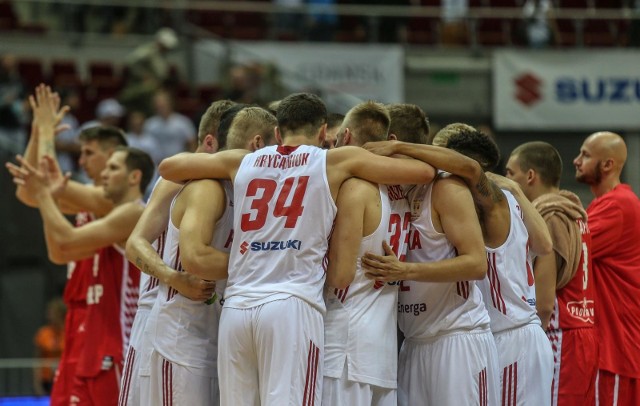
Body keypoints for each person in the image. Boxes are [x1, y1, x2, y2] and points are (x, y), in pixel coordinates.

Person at [158, 92, 435, 405]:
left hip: (237, 307)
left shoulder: (243, 160)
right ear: (321, 133)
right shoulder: (334, 160)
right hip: (292, 304)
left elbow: (169, 167)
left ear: (277, 132)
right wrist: (394, 147)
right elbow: (424, 173)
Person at [142, 106, 277, 405]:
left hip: (217, 337)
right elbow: (197, 258)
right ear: (257, 145)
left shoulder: (243, 191)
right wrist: (270, 262)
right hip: (181, 341)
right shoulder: (207, 187)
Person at [8, 85, 126, 406]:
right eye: (81, 153)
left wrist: (46, 133)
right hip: (80, 325)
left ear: (115, 157)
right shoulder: (86, 201)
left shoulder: (114, 203)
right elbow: (31, 194)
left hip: (108, 330)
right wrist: (37, 132)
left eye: (90, 153)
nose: (82, 160)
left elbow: (47, 183)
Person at [361, 140, 500, 406]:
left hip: (457, 339)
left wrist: (406, 270)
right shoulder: (392, 194)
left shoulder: (446, 188)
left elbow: (477, 264)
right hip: (413, 344)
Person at [119, 99, 235, 406]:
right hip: (158, 316)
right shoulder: (177, 177)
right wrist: (172, 277)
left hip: (203, 320)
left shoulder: (224, 184)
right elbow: (135, 244)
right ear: (211, 141)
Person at [323, 101, 409, 405]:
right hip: (382, 349)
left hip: (344, 347)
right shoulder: (402, 191)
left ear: (345, 136)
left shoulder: (356, 189)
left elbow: (340, 276)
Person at [505, 141, 597, 405]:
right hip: (582, 327)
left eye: (511, 174)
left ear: (530, 175)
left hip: (562, 332)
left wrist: (533, 343)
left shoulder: (550, 216)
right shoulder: (574, 211)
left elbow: (544, 302)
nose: (507, 180)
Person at [573, 131, 640, 404]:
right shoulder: (610, 203)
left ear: (608, 165)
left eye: (586, 155)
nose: (576, 161)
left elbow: (564, 248)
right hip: (617, 348)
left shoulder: (617, 205)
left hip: (616, 348)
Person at [120, 27, 179, 114]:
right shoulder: (147, 51)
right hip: (141, 86)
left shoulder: (162, 56)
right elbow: (130, 63)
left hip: (155, 87)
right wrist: (144, 75)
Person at [143, 90, 197, 162]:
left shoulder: (183, 122)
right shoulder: (149, 124)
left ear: (170, 103)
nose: (161, 107)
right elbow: (144, 145)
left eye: (163, 104)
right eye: (158, 105)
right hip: (157, 163)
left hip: (179, 161)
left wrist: (192, 161)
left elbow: (192, 143)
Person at [33, 297, 66, 396]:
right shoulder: (43, 334)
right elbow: (37, 360)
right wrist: (37, 384)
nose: (49, 316)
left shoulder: (69, 333)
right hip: (46, 379)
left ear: (61, 314)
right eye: (49, 313)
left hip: (64, 378)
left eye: (53, 313)